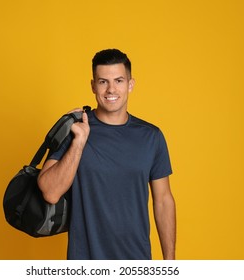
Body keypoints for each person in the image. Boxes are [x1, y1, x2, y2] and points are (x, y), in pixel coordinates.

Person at [38, 49, 176, 260]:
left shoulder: (151, 137)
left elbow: (163, 200)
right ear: (93, 85)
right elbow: (50, 192)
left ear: (130, 84)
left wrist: (170, 262)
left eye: (119, 80)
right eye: (103, 82)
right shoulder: (75, 129)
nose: (111, 89)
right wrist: (79, 143)